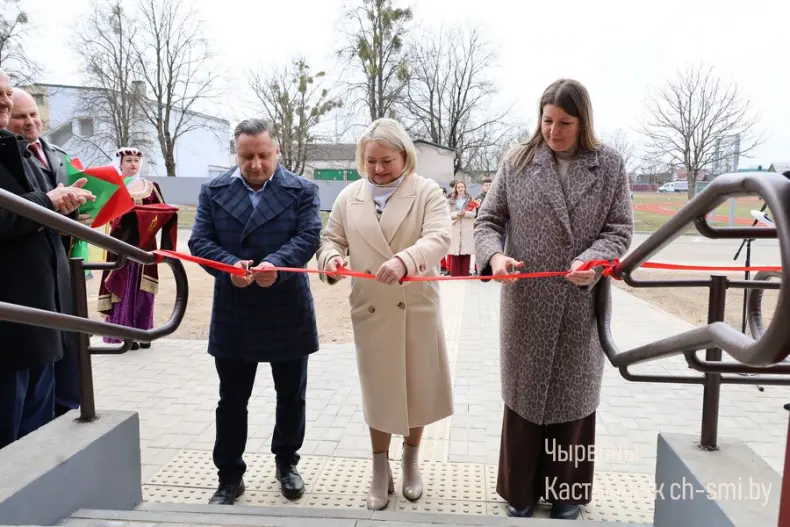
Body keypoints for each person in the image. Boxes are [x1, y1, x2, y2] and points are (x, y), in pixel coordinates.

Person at [473, 78, 633, 520]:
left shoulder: (609, 165)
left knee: (572, 400)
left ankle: (567, 491)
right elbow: (488, 219)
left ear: (583, 123)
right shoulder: (517, 161)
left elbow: (619, 228)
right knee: (525, 399)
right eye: (547, 120)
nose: (553, 131)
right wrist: (495, 256)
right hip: (526, 301)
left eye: (565, 122)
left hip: (580, 303)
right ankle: (519, 490)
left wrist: (593, 261)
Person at [316, 117, 453, 510]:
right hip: (372, 307)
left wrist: (405, 261)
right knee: (378, 389)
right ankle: (380, 467)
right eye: (371, 160)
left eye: (387, 161)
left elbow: (440, 237)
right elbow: (331, 239)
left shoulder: (426, 192)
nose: (378, 169)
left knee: (417, 386)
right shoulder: (349, 197)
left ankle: (411, 459)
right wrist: (331, 260)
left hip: (414, 304)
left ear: (404, 156)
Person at [188, 118, 322, 505]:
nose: (257, 164)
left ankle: (287, 462)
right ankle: (229, 475)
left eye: (264, 155)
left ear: (277, 150)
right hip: (236, 306)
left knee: (291, 395)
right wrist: (232, 267)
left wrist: (275, 266)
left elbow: (308, 235)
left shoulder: (302, 190)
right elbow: (200, 239)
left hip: (286, 304)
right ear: (237, 153)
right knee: (231, 398)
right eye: (247, 156)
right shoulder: (213, 191)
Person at [0, 69, 95, 448]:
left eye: (7, 92)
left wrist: (65, 209)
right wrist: (47, 203)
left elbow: (36, 213)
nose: (6, 101)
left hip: (40, 316)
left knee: (34, 440)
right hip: (11, 324)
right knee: (10, 443)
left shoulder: (14, 149)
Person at [98, 147, 166, 350]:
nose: (133, 163)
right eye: (128, 160)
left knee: (142, 288)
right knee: (123, 285)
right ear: (120, 163)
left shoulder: (151, 187)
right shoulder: (114, 186)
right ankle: (124, 333)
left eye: (136, 160)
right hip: (121, 245)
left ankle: (143, 332)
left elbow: (163, 212)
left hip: (145, 246)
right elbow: (104, 211)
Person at [446, 181, 477, 276]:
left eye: (462, 187)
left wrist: (465, 213)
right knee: (455, 251)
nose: (460, 189)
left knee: (465, 250)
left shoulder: (471, 200)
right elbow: (447, 214)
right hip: (455, 227)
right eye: (458, 187)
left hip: (466, 228)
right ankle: (454, 273)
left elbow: (474, 214)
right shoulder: (450, 200)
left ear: (465, 188)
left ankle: (465, 272)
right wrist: (457, 214)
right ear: (456, 189)